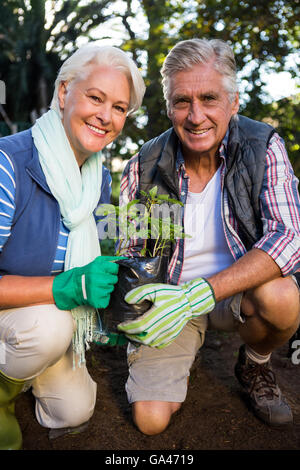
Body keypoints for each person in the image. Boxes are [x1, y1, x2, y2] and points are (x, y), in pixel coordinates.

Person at [117, 38, 300, 436]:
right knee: (150, 422)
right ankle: (184, 350)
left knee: (282, 297)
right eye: (182, 101)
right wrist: (132, 309)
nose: (196, 116)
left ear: (233, 102)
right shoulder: (142, 166)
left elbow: (288, 237)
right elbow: (131, 254)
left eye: (209, 98)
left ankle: (255, 361)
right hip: (171, 302)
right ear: (168, 107)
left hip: (239, 293)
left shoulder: (262, 146)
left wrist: (200, 293)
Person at [0, 43, 145, 449]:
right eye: (95, 98)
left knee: (74, 411)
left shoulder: (96, 178)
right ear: (64, 94)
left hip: (40, 323)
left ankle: (21, 366)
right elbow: (69, 280)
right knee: (49, 326)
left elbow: (84, 257)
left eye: (119, 107)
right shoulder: (8, 163)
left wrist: (115, 304)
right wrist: (67, 286)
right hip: (34, 320)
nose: (106, 116)